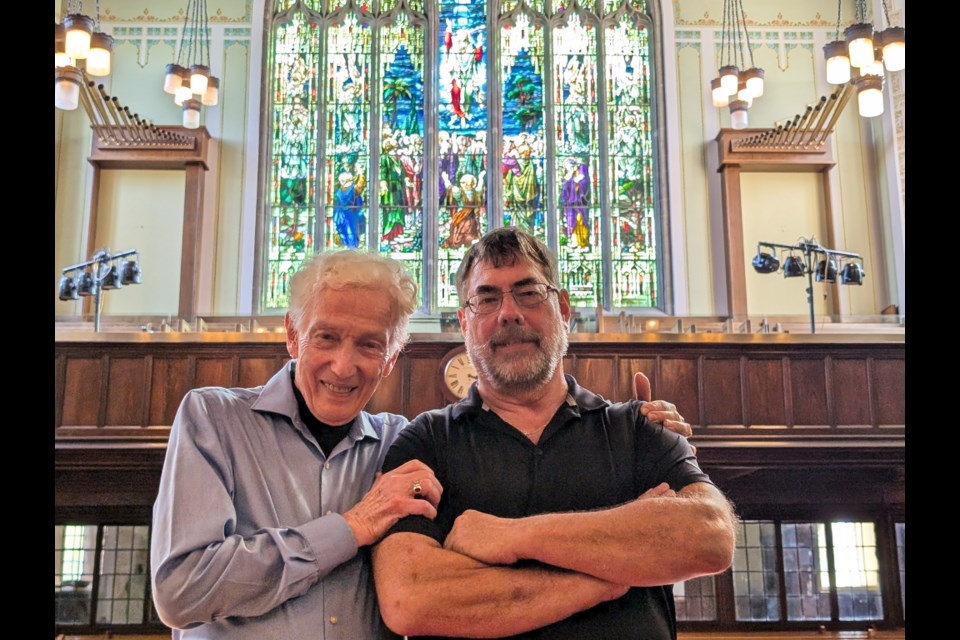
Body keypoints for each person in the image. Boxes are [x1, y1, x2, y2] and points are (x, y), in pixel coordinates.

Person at [150, 248, 691, 639]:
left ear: (391, 358)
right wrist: (350, 528)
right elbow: (181, 591)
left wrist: (642, 426)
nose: (345, 364)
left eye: (369, 345)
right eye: (326, 337)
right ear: (292, 335)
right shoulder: (214, 418)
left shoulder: (403, 445)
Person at [372, 227, 737, 639]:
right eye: (487, 299)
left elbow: (709, 535)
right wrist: (613, 575)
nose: (509, 313)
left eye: (528, 293)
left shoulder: (636, 428)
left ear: (563, 308)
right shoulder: (427, 443)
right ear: (464, 322)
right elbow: (410, 598)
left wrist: (509, 536)